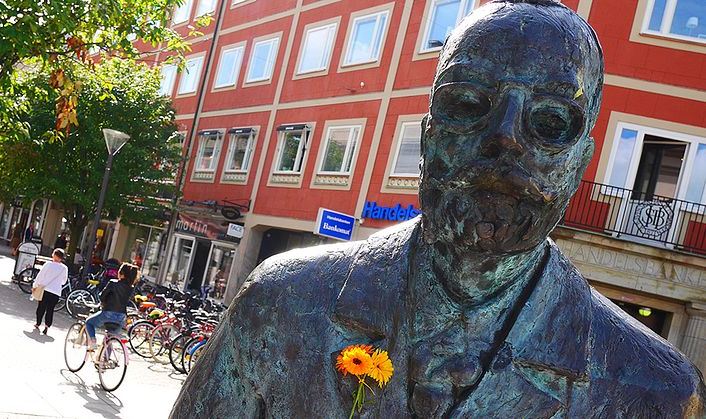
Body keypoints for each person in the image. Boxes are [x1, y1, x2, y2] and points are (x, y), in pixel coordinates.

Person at [170, 1, 705, 418]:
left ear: (581, 160)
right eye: (468, 104)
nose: (503, 141)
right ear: (428, 137)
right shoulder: (280, 303)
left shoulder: (654, 391)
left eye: (548, 122)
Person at [84, 263, 139, 350]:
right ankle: (105, 361)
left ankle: (93, 342)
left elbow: (102, 296)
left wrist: (103, 302)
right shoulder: (131, 287)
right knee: (110, 338)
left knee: (89, 322)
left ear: (121, 274)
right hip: (122, 317)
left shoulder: (113, 283)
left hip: (108, 313)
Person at [32, 248, 69, 335]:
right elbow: (64, 281)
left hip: (45, 289)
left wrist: (35, 286)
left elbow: (40, 276)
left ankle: (38, 323)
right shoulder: (64, 268)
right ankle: (47, 326)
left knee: (41, 307)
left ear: (54, 255)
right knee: (50, 309)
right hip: (56, 291)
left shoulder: (48, 264)